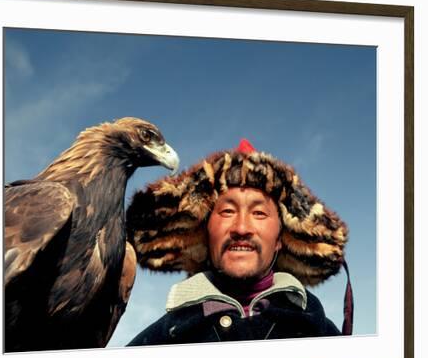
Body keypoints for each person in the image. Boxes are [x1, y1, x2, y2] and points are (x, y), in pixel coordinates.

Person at [125, 139, 353, 346]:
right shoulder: (154, 345)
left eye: (259, 213)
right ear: (205, 232)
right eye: (227, 211)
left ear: (280, 240)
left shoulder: (326, 339)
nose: (242, 228)